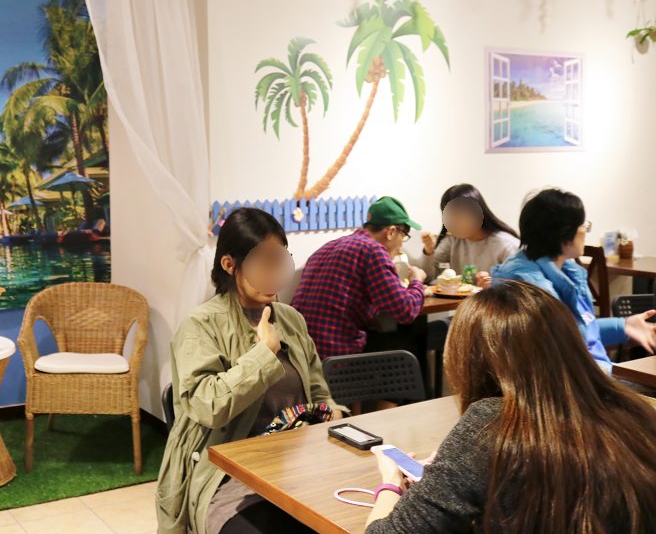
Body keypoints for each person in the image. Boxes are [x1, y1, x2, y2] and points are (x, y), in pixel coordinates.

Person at [363, 281, 656, 533]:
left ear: (470, 361)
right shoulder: (634, 411)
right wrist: (450, 471)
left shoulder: (488, 427)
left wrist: (390, 483)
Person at [156, 207, 345, 534]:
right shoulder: (200, 326)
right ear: (230, 265)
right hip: (228, 479)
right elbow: (208, 407)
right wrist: (263, 353)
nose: (274, 274)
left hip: (297, 467)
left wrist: (333, 412)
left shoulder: (291, 319)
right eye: (263, 263)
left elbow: (317, 393)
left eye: (279, 261)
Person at [491, 188, 656, 373]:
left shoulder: (565, 270)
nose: (585, 230)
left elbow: (578, 331)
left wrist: (623, 327)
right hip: (575, 382)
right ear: (564, 233)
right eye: (583, 224)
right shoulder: (530, 286)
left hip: (589, 375)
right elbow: (562, 347)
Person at [292, 196, 427, 359]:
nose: (401, 245)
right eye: (404, 235)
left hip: (297, 352)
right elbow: (406, 311)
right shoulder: (373, 250)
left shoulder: (327, 247)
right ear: (391, 232)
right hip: (334, 355)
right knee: (412, 342)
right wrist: (417, 281)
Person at [414, 184, 519, 286]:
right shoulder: (452, 241)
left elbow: (520, 288)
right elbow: (425, 277)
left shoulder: (507, 245)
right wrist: (429, 251)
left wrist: (494, 284)